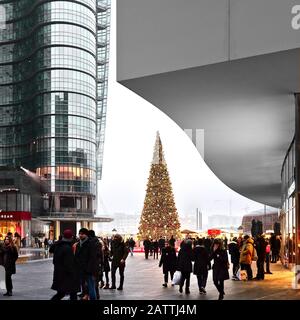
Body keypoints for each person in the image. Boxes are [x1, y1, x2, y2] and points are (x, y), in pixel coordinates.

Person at [50, 229, 80, 300]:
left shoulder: (58, 246)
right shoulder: (67, 248)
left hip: (59, 274)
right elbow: (69, 264)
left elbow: (54, 259)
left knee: (61, 293)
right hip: (67, 276)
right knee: (71, 293)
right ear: (71, 237)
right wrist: (74, 273)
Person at [74, 228, 98, 300]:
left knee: (91, 287)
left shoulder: (90, 244)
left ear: (86, 235)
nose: (80, 235)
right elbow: (76, 257)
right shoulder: (78, 244)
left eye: (82, 234)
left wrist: (88, 269)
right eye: (80, 234)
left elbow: (92, 258)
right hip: (81, 269)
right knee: (83, 286)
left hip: (89, 270)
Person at [88, 230, 103, 300]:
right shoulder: (98, 243)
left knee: (90, 283)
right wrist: (101, 265)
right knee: (95, 282)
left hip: (89, 265)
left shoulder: (88, 243)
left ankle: (92, 296)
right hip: (97, 265)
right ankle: (97, 295)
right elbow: (101, 255)